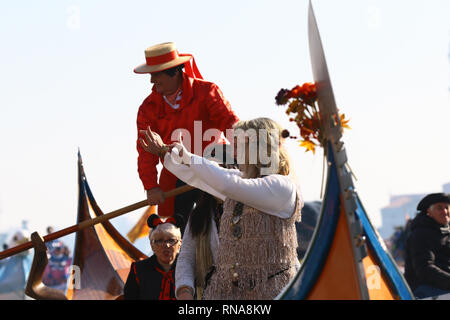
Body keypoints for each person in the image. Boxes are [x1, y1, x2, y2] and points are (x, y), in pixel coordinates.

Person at [139, 117, 302, 300]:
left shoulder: (282, 186)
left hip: (274, 293)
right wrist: (165, 152)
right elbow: (198, 177)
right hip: (232, 295)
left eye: (242, 143)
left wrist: (187, 156)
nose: (236, 149)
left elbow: (227, 184)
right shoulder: (242, 181)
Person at [134, 42, 239, 224]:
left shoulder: (207, 92)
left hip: (214, 166)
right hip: (177, 175)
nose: (152, 81)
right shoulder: (147, 109)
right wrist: (151, 187)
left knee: (229, 219)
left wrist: (245, 160)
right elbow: (145, 152)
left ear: (174, 71)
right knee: (176, 229)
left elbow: (231, 126)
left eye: (156, 74)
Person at [123, 214, 183, 300]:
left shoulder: (188, 268)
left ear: (180, 244)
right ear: (152, 245)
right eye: (159, 241)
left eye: (171, 240)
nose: (166, 245)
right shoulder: (138, 270)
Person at [404, 193, 450, 299]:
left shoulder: (446, 232)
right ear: (429, 212)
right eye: (439, 208)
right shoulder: (420, 235)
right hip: (424, 289)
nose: (445, 212)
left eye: (447, 207)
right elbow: (425, 269)